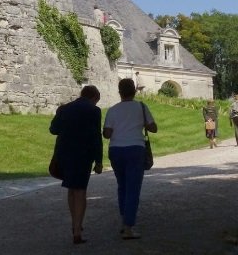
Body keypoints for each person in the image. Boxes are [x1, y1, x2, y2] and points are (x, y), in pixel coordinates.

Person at [103, 78, 158, 240]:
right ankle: (128, 227)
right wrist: (142, 125)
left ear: (119, 92)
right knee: (133, 188)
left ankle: (124, 220)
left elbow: (106, 134)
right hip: (135, 149)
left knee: (122, 186)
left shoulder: (112, 110)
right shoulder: (141, 107)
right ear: (134, 91)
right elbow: (153, 128)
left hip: (116, 150)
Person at [49, 85, 104, 245]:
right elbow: (96, 137)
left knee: (71, 189)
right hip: (83, 155)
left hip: (64, 154)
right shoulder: (94, 111)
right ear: (94, 98)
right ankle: (77, 230)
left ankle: (75, 224)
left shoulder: (64, 108)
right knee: (80, 191)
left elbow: (53, 129)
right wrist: (99, 161)